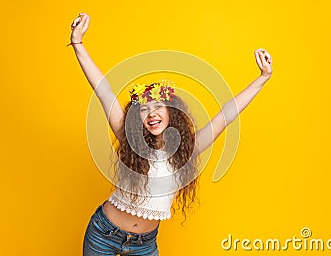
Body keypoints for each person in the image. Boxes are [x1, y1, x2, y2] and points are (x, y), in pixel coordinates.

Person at [69, 13, 273, 256]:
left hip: (144, 244)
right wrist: (78, 43)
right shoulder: (129, 138)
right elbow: (103, 91)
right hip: (104, 234)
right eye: (143, 109)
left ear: (171, 112)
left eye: (157, 107)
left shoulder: (189, 149)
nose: (151, 113)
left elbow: (227, 114)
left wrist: (263, 78)